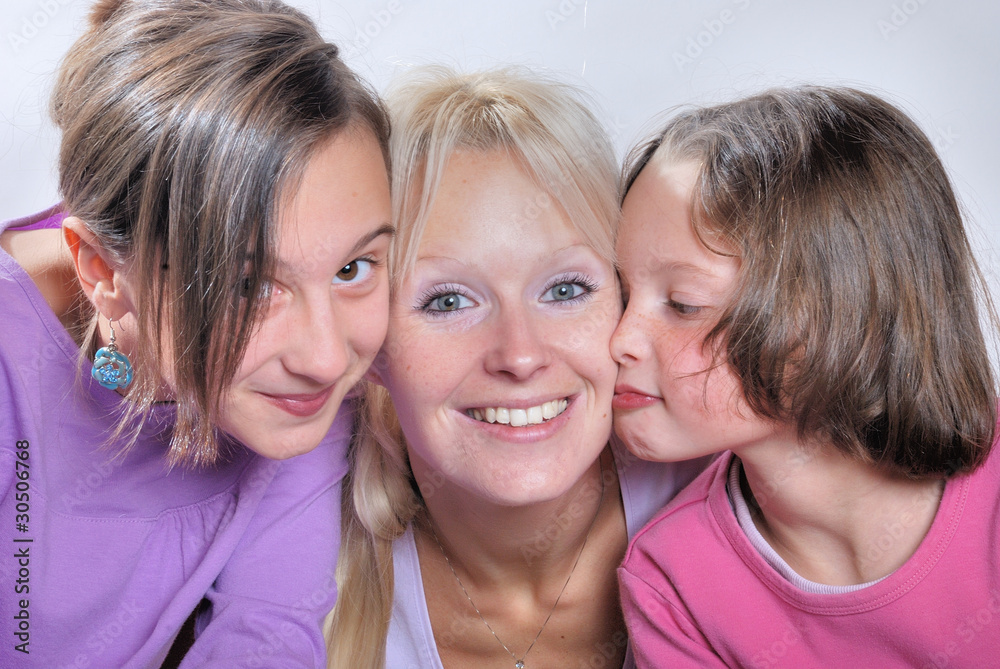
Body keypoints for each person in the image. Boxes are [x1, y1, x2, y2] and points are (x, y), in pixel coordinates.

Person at [0, 0, 392, 665]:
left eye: (353, 267)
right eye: (247, 284)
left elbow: (266, 636)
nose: (326, 358)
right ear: (102, 269)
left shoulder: (301, 397)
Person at [325, 66, 707, 668]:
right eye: (447, 301)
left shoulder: (738, 496)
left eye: (565, 290)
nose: (521, 356)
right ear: (371, 343)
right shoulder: (301, 577)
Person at [612, 85, 1000, 667]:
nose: (617, 340)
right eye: (619, 294)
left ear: (845, 312)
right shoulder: (670, 582)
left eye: (683, 303)